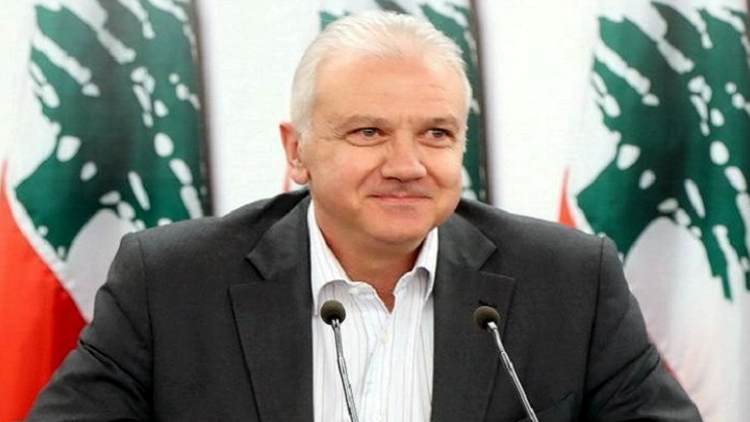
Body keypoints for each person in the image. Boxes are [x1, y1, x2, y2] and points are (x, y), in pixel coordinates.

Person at [27, 10, 702, 422]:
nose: (407, 164)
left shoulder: (570, 282)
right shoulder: (172, 282)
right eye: (368, 132)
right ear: (297, 151)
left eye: (436, 133)